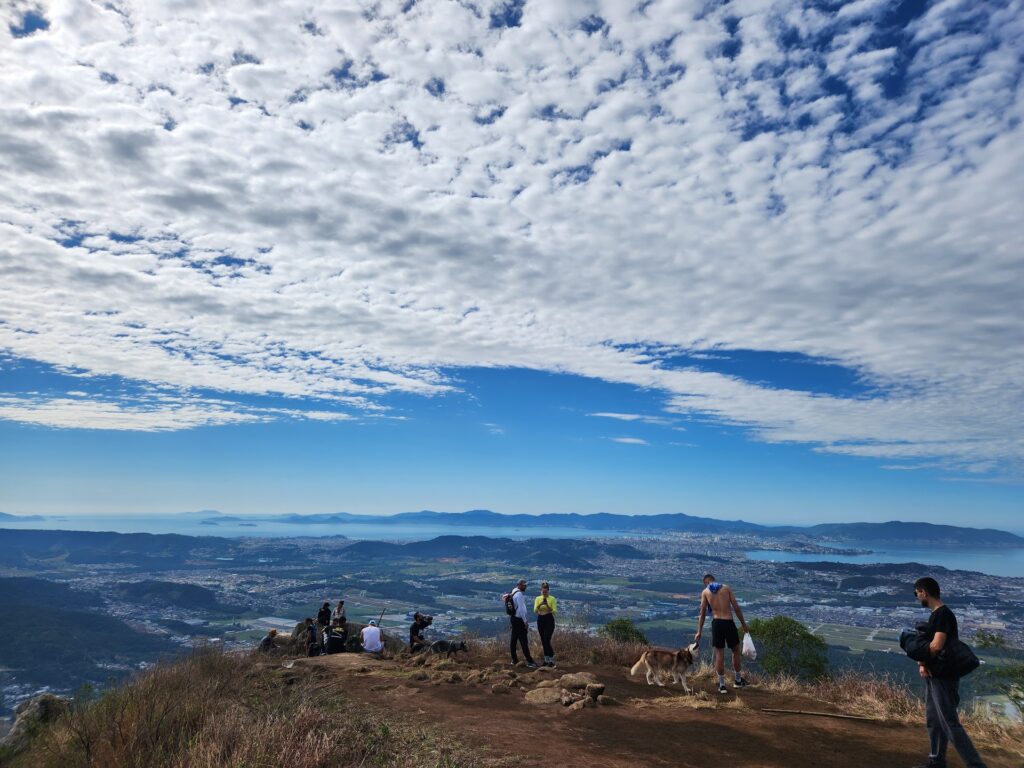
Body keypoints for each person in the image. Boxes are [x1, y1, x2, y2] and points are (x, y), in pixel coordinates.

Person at [912, 577, 988, 768]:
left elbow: (937, 645)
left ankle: (976, 765)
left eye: (916, 593)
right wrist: (923, 664)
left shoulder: (943, 615)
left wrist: (920, 657)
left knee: (949, 722)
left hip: (944, 676)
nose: (916, 597)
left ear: (924, 592)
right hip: (935, 673)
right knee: (934, 719)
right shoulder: (936, 615)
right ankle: (936, 761)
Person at [694, 572, 749, 694]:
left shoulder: (705, 592)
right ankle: (738, 680)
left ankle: (722, 685)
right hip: (728, 622)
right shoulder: (726, 588)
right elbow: (736, 608)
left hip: (717, 623)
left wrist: (699, 631)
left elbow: (702, 613)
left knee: (719, 653)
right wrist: (744, 624)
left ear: (706, 582)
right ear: (714, 579)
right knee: (735, 650)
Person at [508, 579, 537, 668]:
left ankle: (514, 659)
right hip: (519, 620)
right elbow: (520, 609)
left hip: (514, 619)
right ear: (519, 585)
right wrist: (525, 621)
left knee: (513, 639)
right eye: (524, 585)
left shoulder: (513, 591)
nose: (525, 587)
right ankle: (530, 661)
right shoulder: (519, 594)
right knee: (524, 641)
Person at [533, 581, 558, 667]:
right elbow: (535, 611)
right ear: (540, 590)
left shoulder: (552, 599)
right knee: (543, 641)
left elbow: (554, 611)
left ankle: (551, 660)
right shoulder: (537, 598)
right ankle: (546, 660)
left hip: (549, 619)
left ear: (548, 591)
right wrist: (540, 604)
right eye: (543, 591)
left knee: (547, 640)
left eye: (546, 591)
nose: (544, 593)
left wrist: (547, 605)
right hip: (540, 619)